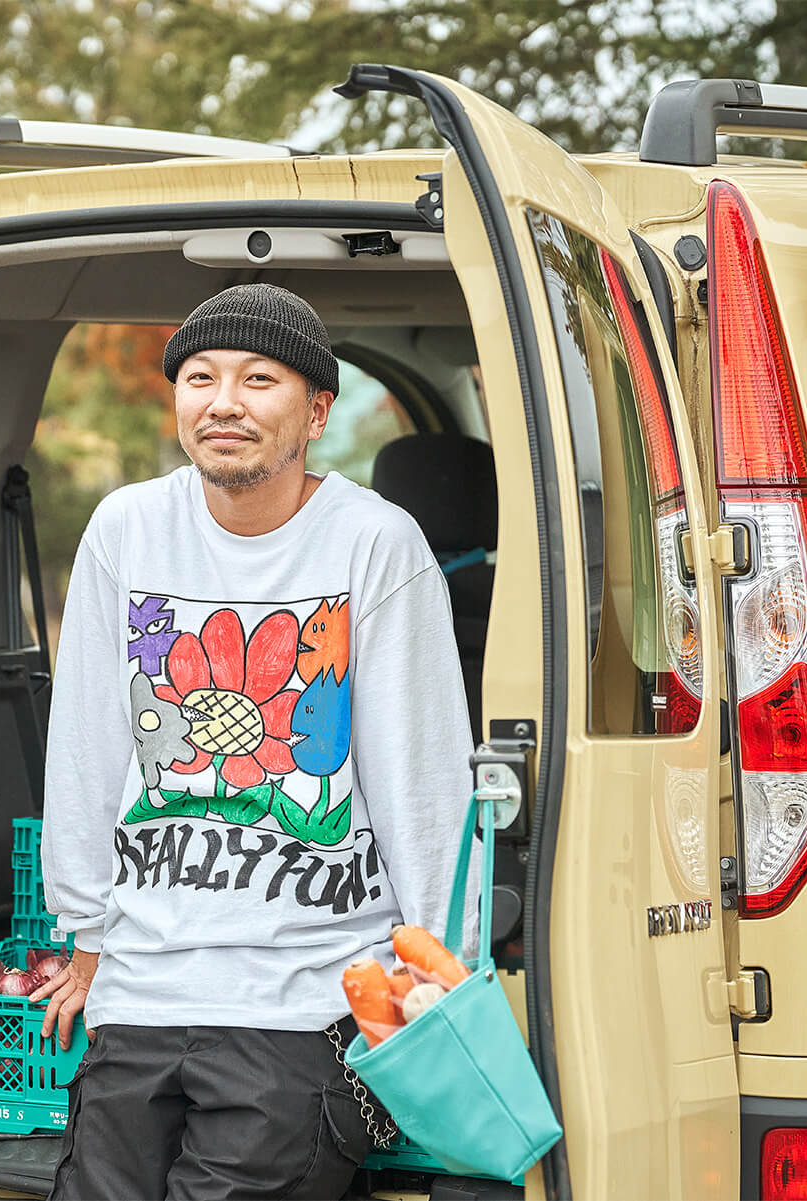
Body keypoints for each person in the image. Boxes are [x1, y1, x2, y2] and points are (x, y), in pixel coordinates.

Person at [31, 283, 477, 1200]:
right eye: (199, 376)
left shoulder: (375, 544)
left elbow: (422, 778)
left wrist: (437, 981)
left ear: (317, 410)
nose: (222, 400)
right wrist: (85, 934)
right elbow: (85, 743)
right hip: (141, 994)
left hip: (304, 1006)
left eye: (257, 378)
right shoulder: (127, 529)